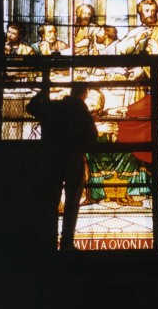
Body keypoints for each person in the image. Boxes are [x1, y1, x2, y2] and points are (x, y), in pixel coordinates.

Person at [26, 83, 98, 251]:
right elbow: (92, 135)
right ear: (83, 94)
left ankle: (49, 241)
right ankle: (67, 243)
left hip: (53, 158)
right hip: (73, 157)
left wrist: (44, 91)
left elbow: (31, 107)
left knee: (52, 198)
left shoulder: (54, 106)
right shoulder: (81, 110)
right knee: (72, 200)